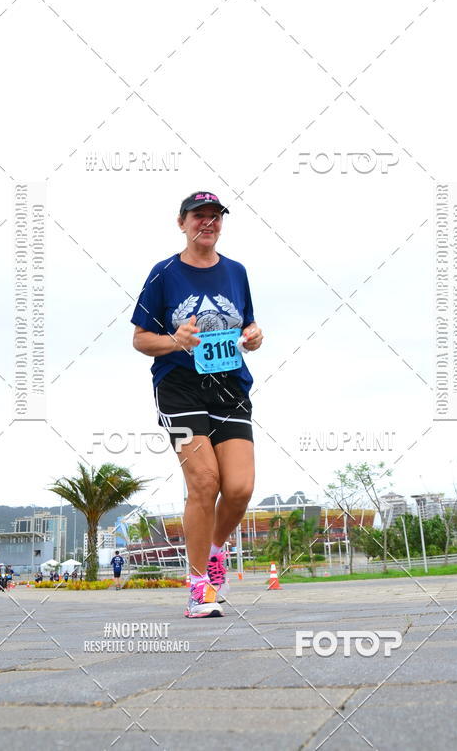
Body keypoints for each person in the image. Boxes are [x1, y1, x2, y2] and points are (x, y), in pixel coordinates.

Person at [131, 191, 263, 618]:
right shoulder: (163, 273)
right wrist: (174, 341)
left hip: (229, 388)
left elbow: (247, 323)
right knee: (205, 481)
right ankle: (197, 588)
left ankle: (212, 553)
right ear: (182, 222)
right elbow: (139, 339)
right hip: (180, 388)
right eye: (198, 216)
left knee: (240, 488)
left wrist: (255, 335)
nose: (208, 223)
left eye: (215, 217)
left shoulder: (236, 271)